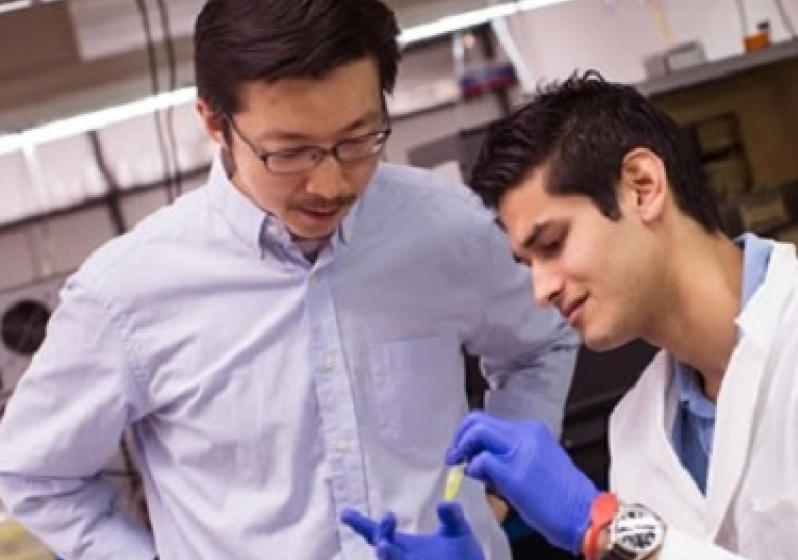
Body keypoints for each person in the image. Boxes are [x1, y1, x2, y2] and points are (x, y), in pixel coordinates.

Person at [0, 1, 580, 559]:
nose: (330, 185)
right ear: (215, 122)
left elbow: (543, 342)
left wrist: (501, 482)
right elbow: (32, 473)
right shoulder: (126, 294)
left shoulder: (446, 227)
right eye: (290, 153)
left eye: (358, 140)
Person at [341, 71, 798, 560]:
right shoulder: (636, 429)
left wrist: (606, 526)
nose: (541, 290)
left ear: (642, 186)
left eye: (553, 244)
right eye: (528, 264)